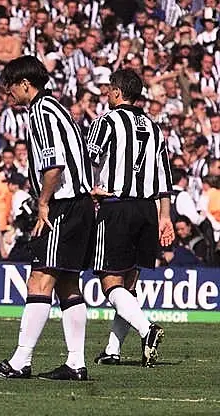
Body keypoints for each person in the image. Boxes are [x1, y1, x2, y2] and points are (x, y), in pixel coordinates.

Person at [0, 56, 94, 381]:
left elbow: (54, 165)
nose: (8, 94)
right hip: (80, 203)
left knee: (40, 279)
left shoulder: (42, 112)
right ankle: (75, 363)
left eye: (10, 87)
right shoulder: (57, 108)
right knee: (68, 282)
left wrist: (43, 202)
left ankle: (20, 361)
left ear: (25, 84)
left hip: (64, 203)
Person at [87, 69, 174, 367]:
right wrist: (166, 218)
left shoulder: (106, 121)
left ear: (116, 92)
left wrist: (92, 190)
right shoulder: (155, 128)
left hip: (117, 206)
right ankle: (112, 350)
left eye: (109, 90)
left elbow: (90, 159)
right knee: (129, 282)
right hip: (147, 211)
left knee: (110, 281)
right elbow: (164, 178)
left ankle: (146, 329)